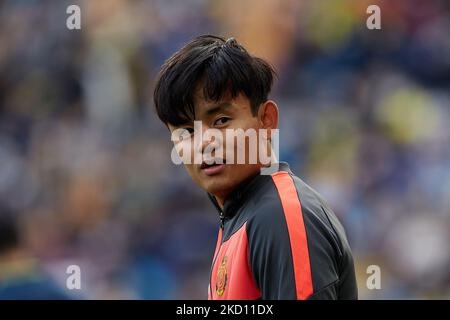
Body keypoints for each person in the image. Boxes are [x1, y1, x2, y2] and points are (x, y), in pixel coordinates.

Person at [153, 35, 357, 300]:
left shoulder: (279, 216)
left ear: (266, 120)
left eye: (222, 120)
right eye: (187, 131)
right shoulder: (241, 216)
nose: (205, 143)